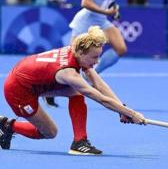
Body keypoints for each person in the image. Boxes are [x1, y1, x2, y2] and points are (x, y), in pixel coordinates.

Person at [0, 26, 146, 155]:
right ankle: (7, 125)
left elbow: (99, 84)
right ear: (82, 53)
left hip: (33, 81)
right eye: (94, 57)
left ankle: (79, 142)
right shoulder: (68, 73)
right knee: (50, 132)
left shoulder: (75, 50)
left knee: (76, 92)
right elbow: (101, 99)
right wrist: (132, 114)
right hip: (18, 91)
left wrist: (122, 109)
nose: (97, 61)